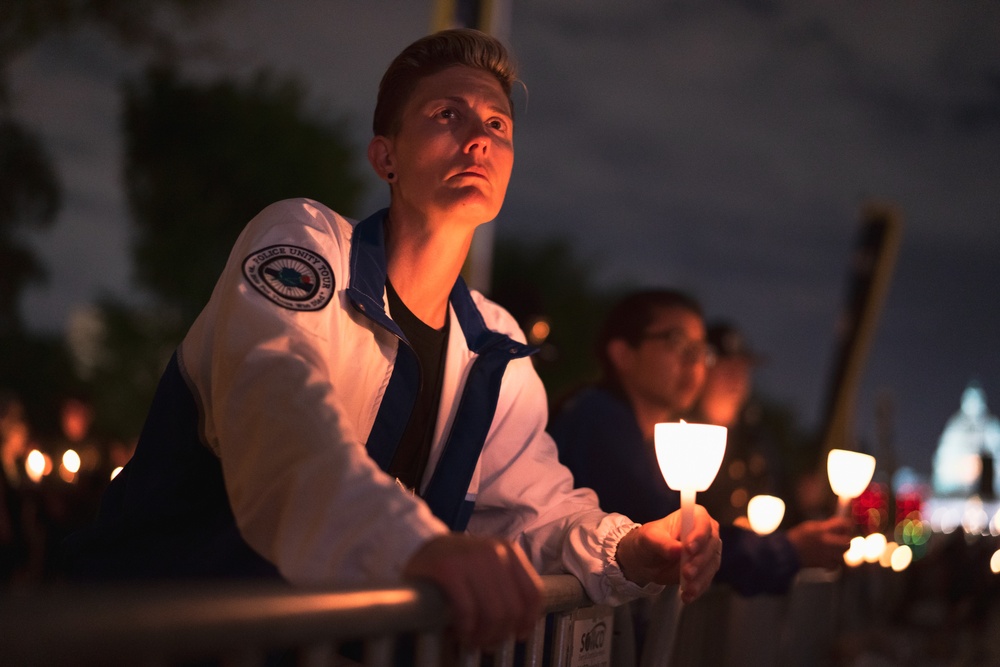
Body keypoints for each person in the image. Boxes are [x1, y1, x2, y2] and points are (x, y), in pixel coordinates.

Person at [64, 29, 721, 649]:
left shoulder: (496, 346)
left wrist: (632, 546)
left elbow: (531, 513)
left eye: (497, 124)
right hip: (151, 637)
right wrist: (412, 544)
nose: (479, 139)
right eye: (447, 114)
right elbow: (281, 413)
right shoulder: (305, 242)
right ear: (385, 154)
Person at [549, 290, 852, 597]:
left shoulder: (647, 435)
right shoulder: (599, 420)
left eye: (700, 349)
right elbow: (658, 522)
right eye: (677, 343)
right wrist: (788, 550)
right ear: (623, 353)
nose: (694, 361)